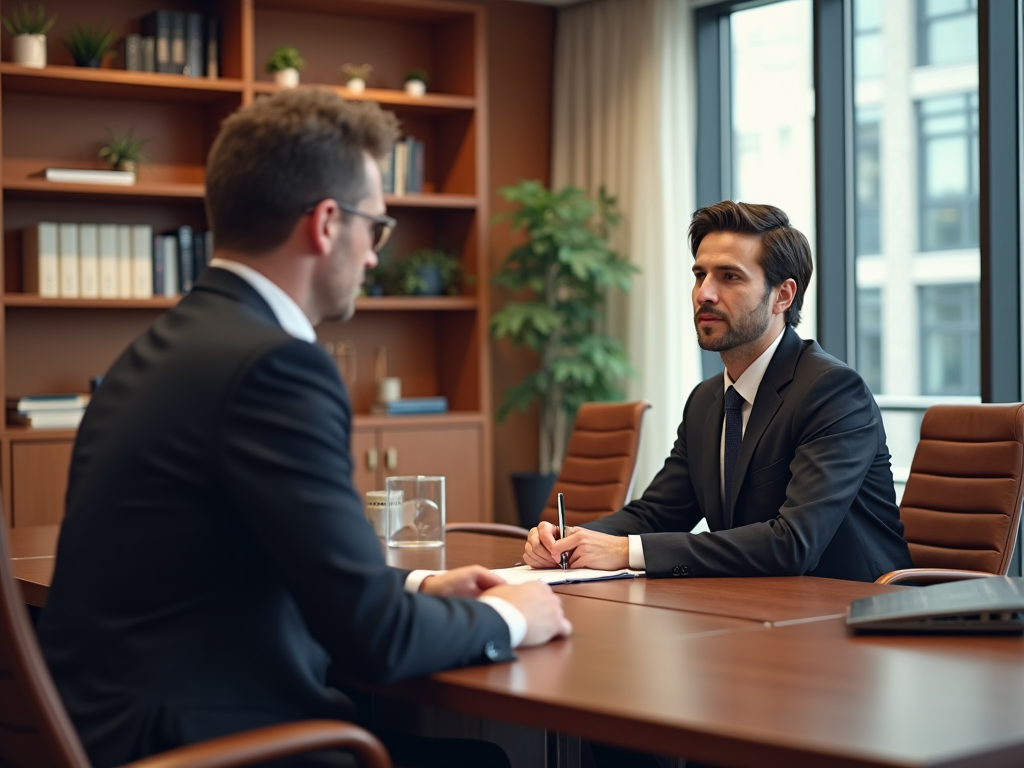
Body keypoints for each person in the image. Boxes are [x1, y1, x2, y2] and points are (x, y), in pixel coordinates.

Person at [37, 89, 571, 768]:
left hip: (124, 736)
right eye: (376, 228)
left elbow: (247, 555)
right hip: (212, 746)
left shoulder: (163, 348)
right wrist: (518, 615)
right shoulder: (275, 367)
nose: (376, 256)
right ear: (326, 223)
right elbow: (371, 638)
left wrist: (414, 584)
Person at [525, 200, 912, 583]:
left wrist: (627, 551)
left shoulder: (832, 391)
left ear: (783, 296)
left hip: (854, 613)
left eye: (729, 276)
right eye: (700, 275)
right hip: (755, 608)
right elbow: (657, 513)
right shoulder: (706, 400)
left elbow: (792, 543)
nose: (704, 294)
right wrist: (569, 540)